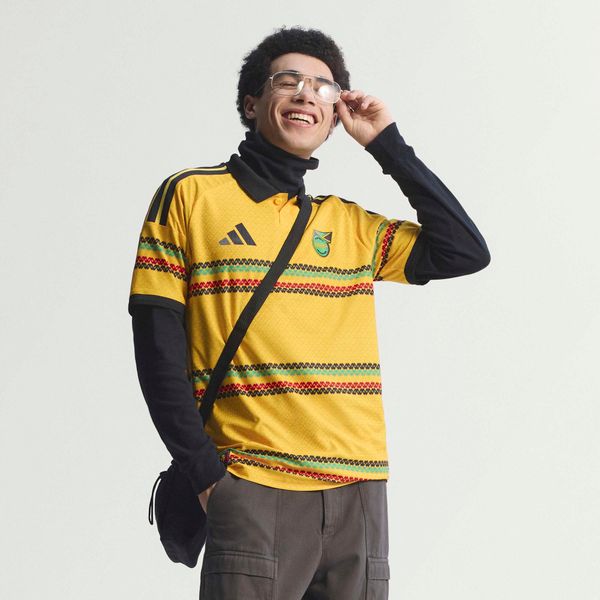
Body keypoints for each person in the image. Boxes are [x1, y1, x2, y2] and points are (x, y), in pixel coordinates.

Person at [128, 26, 490, 599]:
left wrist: (387, 144)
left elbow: (464, 251)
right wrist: (205, 475)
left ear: (335, 114)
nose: (305, 93)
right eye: (288, 80)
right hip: (253, 482)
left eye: (323, 87)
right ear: (252, 103)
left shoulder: (348, 224)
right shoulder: (191, 196)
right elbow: (156, 343)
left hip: (359, 490)